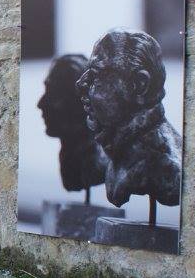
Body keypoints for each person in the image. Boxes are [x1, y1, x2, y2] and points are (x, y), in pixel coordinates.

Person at [77, 29, 182, 210]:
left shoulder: (168, 166)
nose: (81, 84)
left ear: (139, 84)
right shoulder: (118, 153)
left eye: (97, 75)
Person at [37, 54, 108, 198]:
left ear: (80, 104)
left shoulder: (102, 164)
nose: (41, 104)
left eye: (54, 94)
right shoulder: (71, 160)